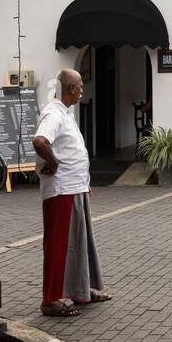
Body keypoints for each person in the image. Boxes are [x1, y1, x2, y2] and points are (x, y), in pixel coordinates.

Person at [32, 68, 111, 317]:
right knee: (58, 245)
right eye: (79, 87)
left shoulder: (66, 113)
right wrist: (53, 162)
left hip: (74, 188)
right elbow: (40, 141)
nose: (82, 91)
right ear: (70, 89)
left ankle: (81, 290)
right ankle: (50, 300)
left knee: (80, 242)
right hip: (61, 190)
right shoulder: (53, 113)